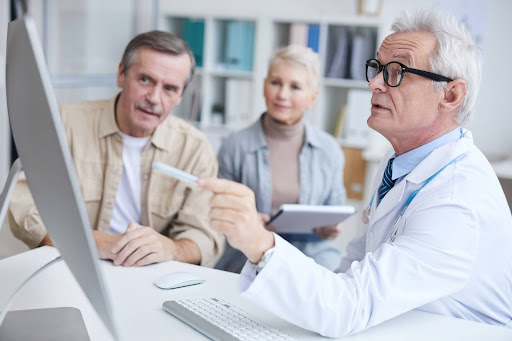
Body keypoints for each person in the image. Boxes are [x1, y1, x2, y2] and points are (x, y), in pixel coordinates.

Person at [198, 9, 512, 337]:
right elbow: (354, 266)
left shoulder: (456, 199)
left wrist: (258, 241)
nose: (374, 83)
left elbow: (351, 307)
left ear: (450, 95)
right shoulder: (398, 159)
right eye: (377, 68)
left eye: (397, 71)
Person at [9, 31, 223, 268]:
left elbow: (205, 234)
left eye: (169, 88)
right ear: (121, 74)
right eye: (145, 80)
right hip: (70, 266)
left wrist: (171, 248)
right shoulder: (65, 123)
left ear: (180, 96)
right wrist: (99, 243)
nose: (154, 97)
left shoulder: (194, 148)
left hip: (153, 276)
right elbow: (23, 203)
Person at [214, 45, 346, 273]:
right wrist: (245, 221)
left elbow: (335, 209)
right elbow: (219, 210)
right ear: (264, 86)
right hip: (248, 257)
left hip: (311, 258)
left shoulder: (329, 150)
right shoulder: (234, 145)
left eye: (295, 87)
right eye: (276, 83)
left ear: (312, 98)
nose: (282, 94)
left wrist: (330, 228)